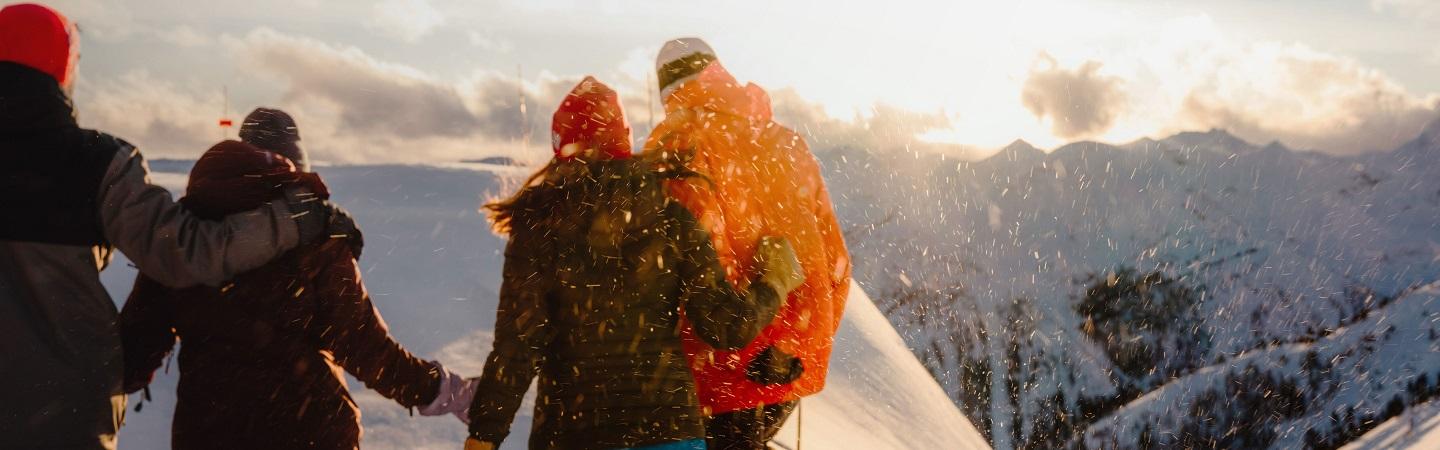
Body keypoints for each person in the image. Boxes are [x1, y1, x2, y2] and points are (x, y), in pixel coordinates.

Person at [0, 4, 356, 450]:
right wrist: (299, 218)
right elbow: (186, 254)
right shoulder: (95, 164)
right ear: (62, 68)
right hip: (60, 407)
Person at [462, 77, 806, 450]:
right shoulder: (670, 219)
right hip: (669, 432)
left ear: (559, 145)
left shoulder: (540, 228)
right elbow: (726, 326)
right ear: (625, 137)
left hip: (572, 436)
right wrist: (773, 280)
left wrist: (484, 435)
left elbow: (518, 347)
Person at [117, 111, 474, 450]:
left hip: (209, 433)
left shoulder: (183, 238)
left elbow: (130, 353)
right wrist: (438, 389)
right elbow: (364, 346)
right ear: (292, 169)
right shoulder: (315, 233)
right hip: (309, 432)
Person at [643, 38, 852, 450]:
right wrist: (800, 340)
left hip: (720, 360)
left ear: (666, 91)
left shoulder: (677, 145)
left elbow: (683, 265)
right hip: (791, 359)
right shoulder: (788, 143)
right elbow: (836, 263)